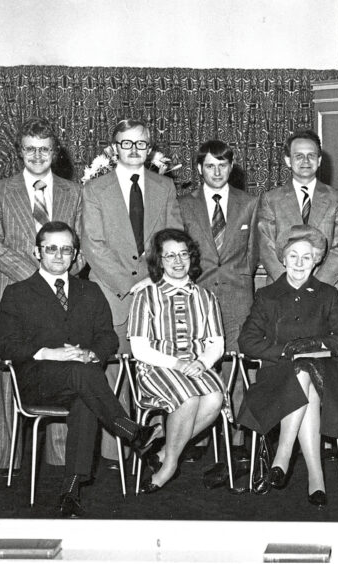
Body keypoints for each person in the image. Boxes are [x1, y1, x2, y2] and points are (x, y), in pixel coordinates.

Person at [0, 222, 159, 517]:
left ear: (75, 255)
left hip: (85, 383)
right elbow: (6, 347)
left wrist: (92, 353)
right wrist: (49, 353)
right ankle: (129, 430)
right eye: (51, 248)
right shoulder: (17, 293)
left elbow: (107, 337)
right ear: (37, 252)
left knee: (84, 397)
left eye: (66, 249)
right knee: (82, 376)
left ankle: (70, 490)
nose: (59, 255)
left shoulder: (90, 291)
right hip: (38, 380)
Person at [0, 117, 83, 475]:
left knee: (58, 364)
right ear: (20, 152)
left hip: (61, 292)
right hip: (13, 292)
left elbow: (81, 246)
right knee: (12, 370)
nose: (37, 155)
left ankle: (58, 457)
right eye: (29, 149)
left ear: (54, 153)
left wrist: (60, 274)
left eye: (44, 149)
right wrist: (36, 276)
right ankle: (5, 455)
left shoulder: (74, 192)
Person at [82, 118, 183, 466]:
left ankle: (154, 449)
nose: (134, 150)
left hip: (155, 293)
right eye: (127, 144)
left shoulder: (165, 187)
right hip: (111, 295)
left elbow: (174, 239)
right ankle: (117, 454)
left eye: (141, 144)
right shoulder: (95, 190)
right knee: (113, 372)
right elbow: (92, 246)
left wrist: (154, 279)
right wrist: (131, 284)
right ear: (114, 149)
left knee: (152, 370)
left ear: (150, 149)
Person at [236, 225, 338, 507]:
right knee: (304, 378)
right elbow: (247, 342)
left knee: (306, 371)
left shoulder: (327, 294)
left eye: (307, 257)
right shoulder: (267, 296)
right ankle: (316, 477)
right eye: (294, 256)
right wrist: (286, 351)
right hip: (276, 377)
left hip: (323, 375)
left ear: (316, 259)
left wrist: (316, 345)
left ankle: (283, 455)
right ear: (283, 258)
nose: (300, 263)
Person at [128, 229, 228, 493]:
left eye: (183, 254)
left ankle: (162, 449)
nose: (178, 261)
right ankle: (169, 466)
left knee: (215, 399)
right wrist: (177, 364)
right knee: (188, 398)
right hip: (157, 366)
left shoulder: (206, 297)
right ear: (159, 261)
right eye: (169, 256)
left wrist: (203, 363)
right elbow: (139, 348)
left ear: (191, 258)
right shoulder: (146, 296)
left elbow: (216, 344)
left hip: (195, 364)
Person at [178, 140, 260, 459]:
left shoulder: (249, 203)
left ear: (231, 167)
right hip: (198, 298)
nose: (217, 172)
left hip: (239, 298)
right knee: (199, 366)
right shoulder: (184, 204)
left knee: (236, 370)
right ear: (199, 168)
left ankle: (236, 442)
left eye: (223, 166)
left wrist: (238, 277)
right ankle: (196, 440)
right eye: (210, 166)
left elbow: (253, 253)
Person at [258, 130, 338, 294]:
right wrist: (290, 284)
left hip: (325, 291)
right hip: (281, 291)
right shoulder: (270, 199)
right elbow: (267, 249)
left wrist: (314, 287)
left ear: (319, 160)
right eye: (299, 156)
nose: (306, 161)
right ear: (288, 160)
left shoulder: (337, 199)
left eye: (311, 155)